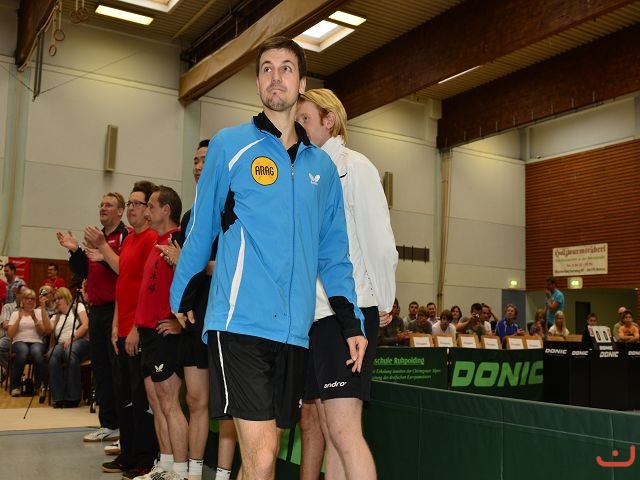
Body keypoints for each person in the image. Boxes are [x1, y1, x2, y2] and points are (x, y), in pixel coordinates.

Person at [171, 37, 366, 480]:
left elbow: (334, 254)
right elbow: (201, 226)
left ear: (302, 83)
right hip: (239, 322)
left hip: (294, 332)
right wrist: (181, 292)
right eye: (266, 69)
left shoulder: (322, 170)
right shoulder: (230, 145)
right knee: (261, 458)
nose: (275, 77)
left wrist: (351, 322)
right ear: (258, 83)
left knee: (262, 454)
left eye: (286, 68)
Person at [296, 87, 398, 480]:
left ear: (330, 120)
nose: (300, 127)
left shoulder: (355, 167)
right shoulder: (309, 174)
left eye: (306, 119)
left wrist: (383, 300)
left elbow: (379, 241)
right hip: (317, 317)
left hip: (349, 313)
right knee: (329, 428)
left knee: (344, 429)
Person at [162, 140, 238, 480]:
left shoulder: (234, 207)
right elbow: (187, 270)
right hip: (195, 317)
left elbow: (235, 266)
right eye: (194, 160)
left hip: (224, 314)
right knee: (195, 400)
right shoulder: (191, 216)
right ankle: (192, 472)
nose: (197, 165)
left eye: (205, 159)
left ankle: (222, 474)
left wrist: (191, 264)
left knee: (226, 405)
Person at [98, 181, 160, 479]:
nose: (132, 208)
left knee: (139, 399)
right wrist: (115, 325)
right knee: (123, 395)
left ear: (149, 210)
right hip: (121, 328)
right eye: (131, 203)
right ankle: (127, 454)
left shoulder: (150, 239)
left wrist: (135, 327)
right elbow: (123, 285)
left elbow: (146, 290)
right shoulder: (130, 240)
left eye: (137, 203)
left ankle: (144, 458)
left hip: (138, 330)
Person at [56, 192, 128, 443]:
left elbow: (126, 269)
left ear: (120, 211)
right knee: (101, 370)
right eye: (101, 204)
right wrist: (76, 251)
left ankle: (124, 428)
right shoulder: (98, 237)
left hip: (116, 311)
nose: (103, 208)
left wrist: (104, 254)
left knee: (118, 371)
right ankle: (108, 424)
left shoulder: (125, 236)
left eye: (109, 205)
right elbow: (85, 270)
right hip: (96, 311)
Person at [137, 185, 188, 480]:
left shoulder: (178, 240)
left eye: (151, 206)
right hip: (147, 333)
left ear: (166, 210)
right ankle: (165, 466)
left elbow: (195, 282)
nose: (146, 212)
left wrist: (180, 322)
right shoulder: (155, 243)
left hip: (164, 333)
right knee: (156, 404)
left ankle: (180, 471)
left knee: (169, 404)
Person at [48, 287, 90, 407]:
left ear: (67, 297)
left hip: (81, 340)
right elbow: (47, 329)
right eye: (55, 299)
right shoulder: (55, 316)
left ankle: (73, 397)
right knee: (51, 355)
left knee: (70, 352)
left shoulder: (78, 307)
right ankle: (59, 397)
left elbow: (86, 325)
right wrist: (41, 309)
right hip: (61, 344)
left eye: (60, 298)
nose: (57, 301)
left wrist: (72, 339)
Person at [7, 288, 51, 396]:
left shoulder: (39, 313)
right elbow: (10, 334)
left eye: (32, 298)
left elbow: (42, 332)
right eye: (27, 298)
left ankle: (38, 386)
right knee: (23, 351)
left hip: (36, 341)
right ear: (23, 300)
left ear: (35, 301)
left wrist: (35, 319)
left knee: (37, 353)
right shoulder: (15, 314)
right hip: (19, 341)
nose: (30, 300)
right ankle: (16, 386)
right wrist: (19, 319)